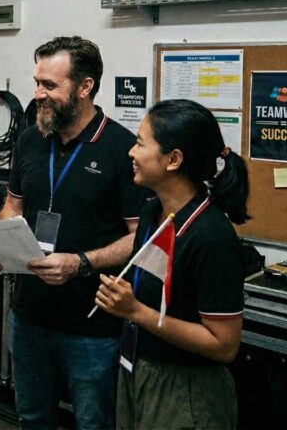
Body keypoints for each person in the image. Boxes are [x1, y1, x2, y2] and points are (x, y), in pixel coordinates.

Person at [0, 36, 151, 430]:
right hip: (29, 315)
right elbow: (13, 206)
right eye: (37, 82)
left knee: (93, 422)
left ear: (85, 87)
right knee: (32, 417)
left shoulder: (122, 150)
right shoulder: (30, 140)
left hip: (91, 326)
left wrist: (80, 262)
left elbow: (141, 238)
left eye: (50, 85)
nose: (38, 94)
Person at [95, 99, 248, 429]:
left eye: (140, 144)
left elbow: (224, 345)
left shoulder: (212, 237)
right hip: (138, 367)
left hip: (187, 389)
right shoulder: (153, 213)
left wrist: (136, 311)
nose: (131, 153)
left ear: (174, 160)